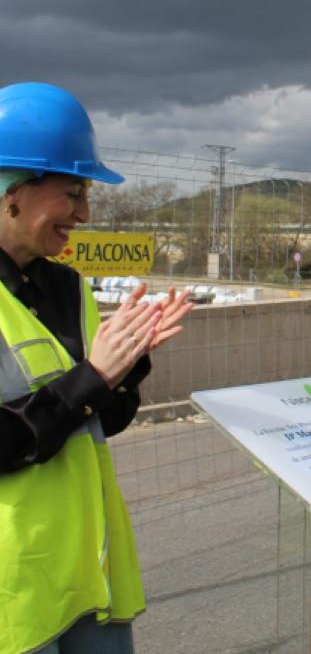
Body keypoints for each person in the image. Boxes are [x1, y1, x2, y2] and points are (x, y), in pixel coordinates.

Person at [0, 82, 192, 654]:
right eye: (72, 193)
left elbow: (100, 422)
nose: (84, 213)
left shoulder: (66, 286)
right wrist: (93, 377)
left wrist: (126, 366)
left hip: (91, 573)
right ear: (12, 190)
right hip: (16, 593)